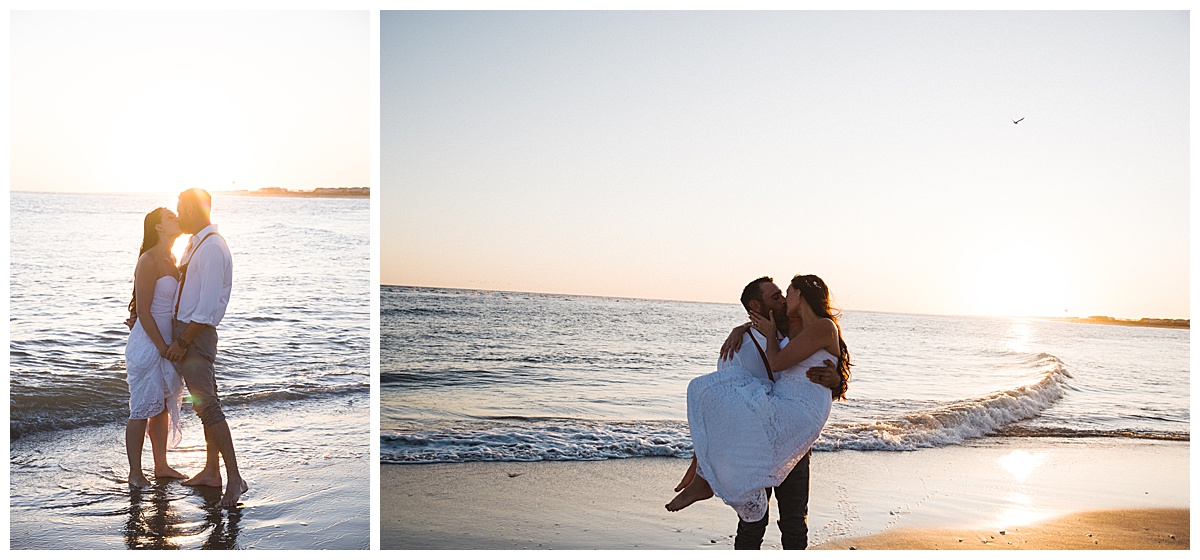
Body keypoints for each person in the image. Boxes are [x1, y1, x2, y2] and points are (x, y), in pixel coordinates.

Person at [666, 275, 851, 550]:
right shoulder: (738, 347)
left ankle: (703, 482)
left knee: (793, 520)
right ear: (756, 306)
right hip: (757, 439)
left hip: (794, 434)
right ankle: (703, 480)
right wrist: (741, 328)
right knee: (753, 523)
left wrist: (838, 380)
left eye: (785, 294)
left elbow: (820, 366)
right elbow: (724, 414)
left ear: (800, 297)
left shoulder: (793, 328)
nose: (783, 300)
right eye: (776, 297)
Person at [163, 188, 247, 508]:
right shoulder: (195, 243)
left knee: (208, 407)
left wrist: (182, 341)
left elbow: (207, 306)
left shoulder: (212, 248)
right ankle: (212, 471)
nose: (179, 215)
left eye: (181, 209)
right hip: (189, 333)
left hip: (195, 336)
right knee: (205, 405)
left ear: (196, 210)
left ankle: (235, 479)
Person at [124, 207, 189, 488]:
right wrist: (162, 347)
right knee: (140, 408)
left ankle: (161, 466)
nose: (177, 219)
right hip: (151, 341)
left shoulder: (171, 257)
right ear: (159, 228)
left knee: (161, 406)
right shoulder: (149, 260)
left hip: (166, 340)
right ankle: (135, 473)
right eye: (170, 218)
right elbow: (145, 310)